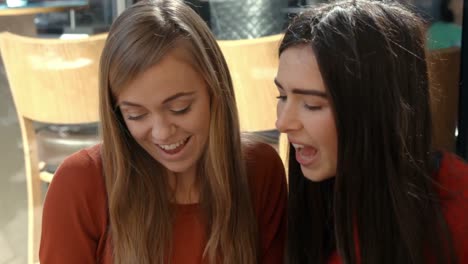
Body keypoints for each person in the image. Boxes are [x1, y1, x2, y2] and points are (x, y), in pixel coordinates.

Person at [39, 0, 287, 263]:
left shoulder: (259, 170)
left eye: (180, 108)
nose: (161, 132)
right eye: (136, 115)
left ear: (215, 91)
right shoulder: (80, 184)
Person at [274, 0, 468, 263]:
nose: (283, 124)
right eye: (282, 96)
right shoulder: (310, 206)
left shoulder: (456, 207)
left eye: (312, 105)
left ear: (375, 107)